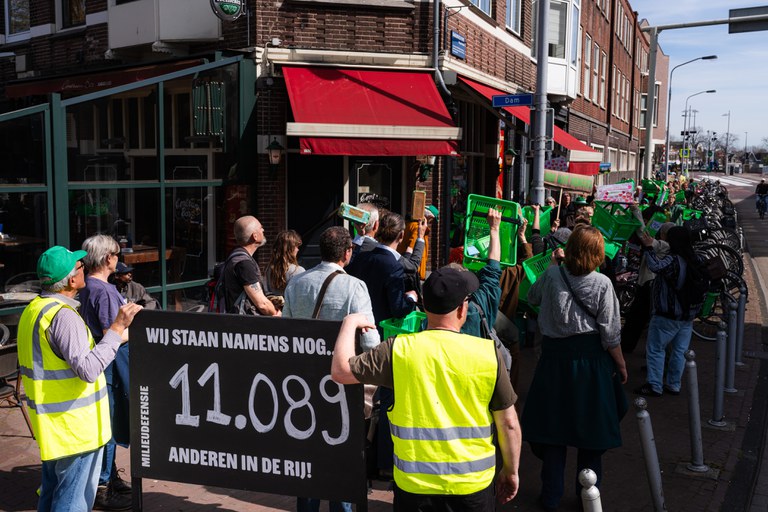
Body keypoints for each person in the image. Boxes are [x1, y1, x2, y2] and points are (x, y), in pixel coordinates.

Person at [330, 267, 522, 510]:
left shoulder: (397, 350)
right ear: (462, 309)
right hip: (472, 488)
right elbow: (509, 423)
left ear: (423, 307)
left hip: (414, 489)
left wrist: (349, 323)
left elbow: (340, 371)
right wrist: (510, 470)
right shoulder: (487, 354)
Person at [17, 246, 141, 512]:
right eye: (80, 266)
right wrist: (117, 329)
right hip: (75, 429)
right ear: (72, 280)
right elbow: (87, 369)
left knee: (51, 494)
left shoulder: (34, 310)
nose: (84, 267)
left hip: (53, 426)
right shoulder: (64, 317)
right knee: (72, 500)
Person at [522, 226, 628, 512]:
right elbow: (610, 333)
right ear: (597, 254)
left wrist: (553, 267)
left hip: (553, 363)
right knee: (590, 434)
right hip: (591, 364)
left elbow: (531, 297)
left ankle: (551, 496)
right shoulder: (602, 283)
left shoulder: (554, 274)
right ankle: (588, 497)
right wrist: (620, 364)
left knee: (553, 432)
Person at [283, 226, 380, 512]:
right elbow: (371, 343)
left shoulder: (296, 284)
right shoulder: (355, 287)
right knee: (342, 460)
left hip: (302, 385)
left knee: (308, 458)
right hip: (342, 385)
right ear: (348, 253)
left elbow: (285, 335)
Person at [78, 234, 133, 511]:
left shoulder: (85, 286)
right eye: (116, 254)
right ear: (108, 258)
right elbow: (113, 333)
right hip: (108, 369)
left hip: (98, 367)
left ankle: (109, 478)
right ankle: (103, 487)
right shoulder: (104, 290)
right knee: (108, 429)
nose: (118, 259)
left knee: (105, 427)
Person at [634, 226, 699, 397]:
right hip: (688, 314)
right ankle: (674, 384)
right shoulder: (695, 258)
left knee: (656, 348)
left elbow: (655, 266)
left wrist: (648, 248)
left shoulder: (674, 260)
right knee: (679, 350)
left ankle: (655, 385)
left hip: (668, 312)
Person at [220, 216, 279, 316]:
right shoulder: (244, 264)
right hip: (245, 325)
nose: (263, 229)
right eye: (260, 227)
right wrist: (276, 314)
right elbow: (262, 304)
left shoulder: (234, 256)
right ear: (255, 236)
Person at [397, 205, 438, 280]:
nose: (431, 222)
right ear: (427, 216)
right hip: (414, 272)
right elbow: (411, 249)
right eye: (432, 219)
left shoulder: (410, 225)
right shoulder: (416, 228)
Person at [264, 229, 305, 296]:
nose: (298, 249)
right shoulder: (298, 271)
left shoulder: (269, 269)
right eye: (296, 246)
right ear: (289, 249)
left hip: (274, 305)